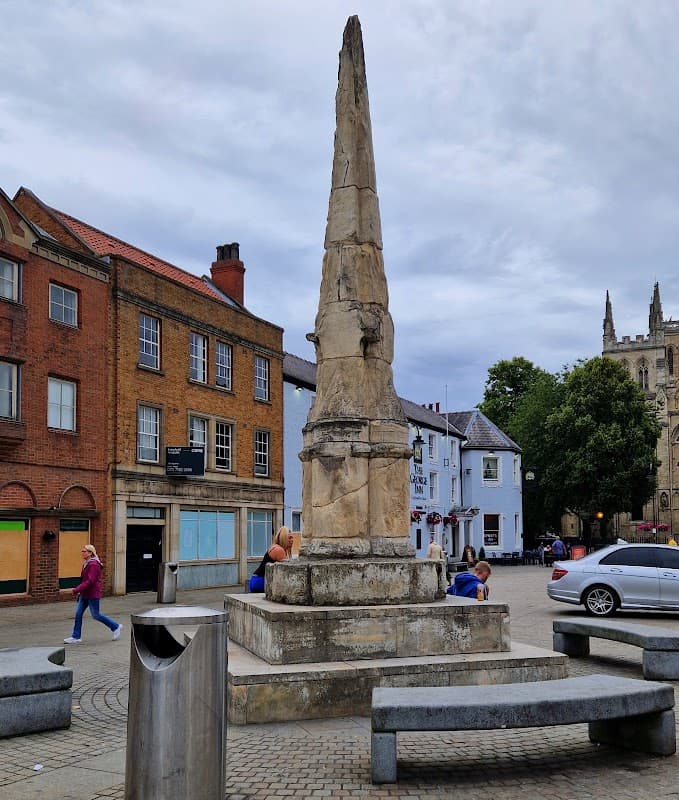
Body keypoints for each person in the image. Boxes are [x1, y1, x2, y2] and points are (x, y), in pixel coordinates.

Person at [64, 544, 122, 644]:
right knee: (78, 613)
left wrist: (75, 590)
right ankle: (76, 637)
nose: (82, 553)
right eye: (82, 551)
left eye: (84, 551)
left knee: (96, 615)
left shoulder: (93, 564)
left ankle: (115, 626)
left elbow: (90, 581)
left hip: (92, 594)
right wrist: (80, 591)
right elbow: (84, 580)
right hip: (85, 594)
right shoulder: (86, 563)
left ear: (90, 553)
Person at [248, 526, 294, 592]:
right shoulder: (279, 550)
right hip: (260, 581)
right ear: (283, 538)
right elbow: (286, 572)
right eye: (289, 538)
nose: (292, 540)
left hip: (256, 580)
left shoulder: (275, 547)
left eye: (292, 538)